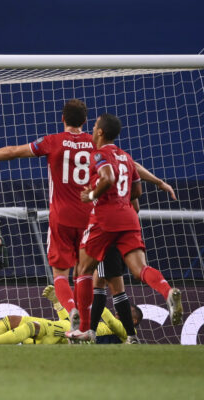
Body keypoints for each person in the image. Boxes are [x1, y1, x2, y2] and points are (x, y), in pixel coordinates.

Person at [0, 99, 176, 331]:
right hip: (91, 217)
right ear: (85, 121)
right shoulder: (95, 144)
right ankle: (90, 326)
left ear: (62, 118)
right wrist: (159, 181)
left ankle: (73, 311)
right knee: (87, 274)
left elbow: (13, 152)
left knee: (61, 274)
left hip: (62, 217)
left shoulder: (52, 142)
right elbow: (129, 163)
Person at [68, 113, 183, 341]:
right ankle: (167, 291)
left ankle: (84, 328)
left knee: (83, 271)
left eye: (94, 126)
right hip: (129, 218)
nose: (91, 129)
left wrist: (92, 194)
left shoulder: (99, 155)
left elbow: (108, 178)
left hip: (105, 218)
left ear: (100, 132)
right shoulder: (126, 157)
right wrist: (158, 183)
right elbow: (137, 193)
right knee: (139, 269)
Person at [0, 285, 142, 345]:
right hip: (64, 329)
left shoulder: (126, 333)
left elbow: (109, 317)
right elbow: (67, 322)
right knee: (14, 320)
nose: (118, 313)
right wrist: (56, 302)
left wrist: (96, 291)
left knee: (31, 329)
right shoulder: (99, 325)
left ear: (132, 320)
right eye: (119, 311)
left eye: (124, 313)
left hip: (66, 338)